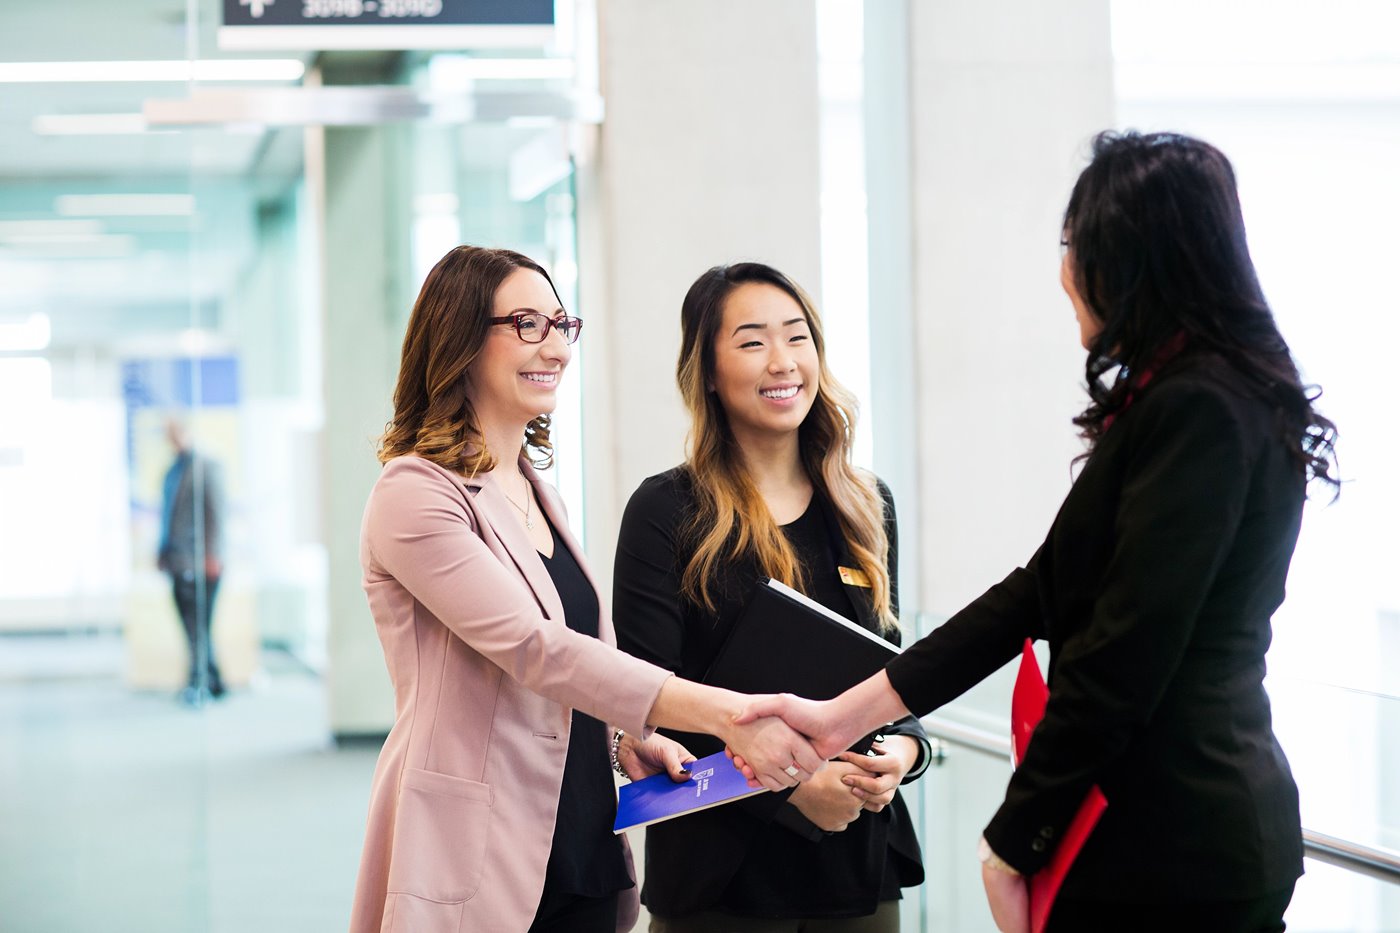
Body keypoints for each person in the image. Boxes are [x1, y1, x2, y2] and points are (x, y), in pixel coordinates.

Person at [736, 131, 1340, 933]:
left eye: (1073, 245)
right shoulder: (1185, 398)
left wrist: (1015, 838)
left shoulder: (1201, 409)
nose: (1064, 273)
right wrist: (849, 713)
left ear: (1133, 257)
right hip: (1158, 832)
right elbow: (1034, 593)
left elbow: (1124, 653)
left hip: (1176, 842)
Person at [348, 245, 825, 933]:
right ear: (457, 338)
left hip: (579, 843)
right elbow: (532, 647)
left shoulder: (540, 494)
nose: (555, 347)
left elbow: (565, 665)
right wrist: (726, 713)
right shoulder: (415, 494)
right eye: (526, 324)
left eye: (560, 324)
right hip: (476, 850)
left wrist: (624, 742)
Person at [612, 262, 931, 932]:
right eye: (753, 341)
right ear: (707, 370)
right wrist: (786, 785)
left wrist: (902, 756)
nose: (782, 361)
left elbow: (889, 676)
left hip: (858, 869)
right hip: (724, 877)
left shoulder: (865, 506)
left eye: (797, 337)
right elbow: (646, 704)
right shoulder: (666, 511)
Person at [157, 416, 226, 703]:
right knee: (195, 627)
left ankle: (198, 683)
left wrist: (213, 555)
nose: (172, 438)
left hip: (200, 562)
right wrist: (161, 551)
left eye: (175, 432)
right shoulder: (173, 470)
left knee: (197, 627)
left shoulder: (205, 467)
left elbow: (216, 515)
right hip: (177, 560)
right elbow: (168, 517)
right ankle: (214, 680)